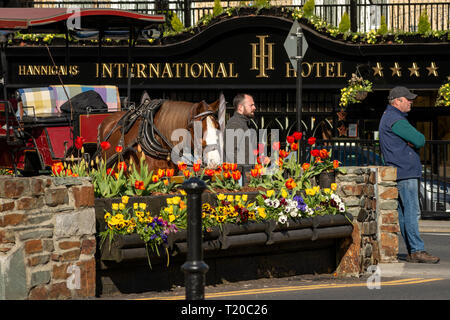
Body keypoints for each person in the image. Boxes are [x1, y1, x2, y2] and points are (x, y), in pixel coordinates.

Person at [378, 86, 439, 264]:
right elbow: (420, 139)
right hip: (405, 171)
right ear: (397, 101)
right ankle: (417, 250)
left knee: (404, 215)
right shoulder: (396, 119)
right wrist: (411, 142)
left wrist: (409, 141)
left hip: (398, 171)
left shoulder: (388, 117)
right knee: (412, 212)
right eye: (407, 99)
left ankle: (413, 251)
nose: (411, 102)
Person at [224, 93, 257, 165]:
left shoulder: (243, 123)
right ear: (240, 107)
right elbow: (230, 152)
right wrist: (243, 171)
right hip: (240, 174)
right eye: (251, 105)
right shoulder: (235, 124)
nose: (254, 107)